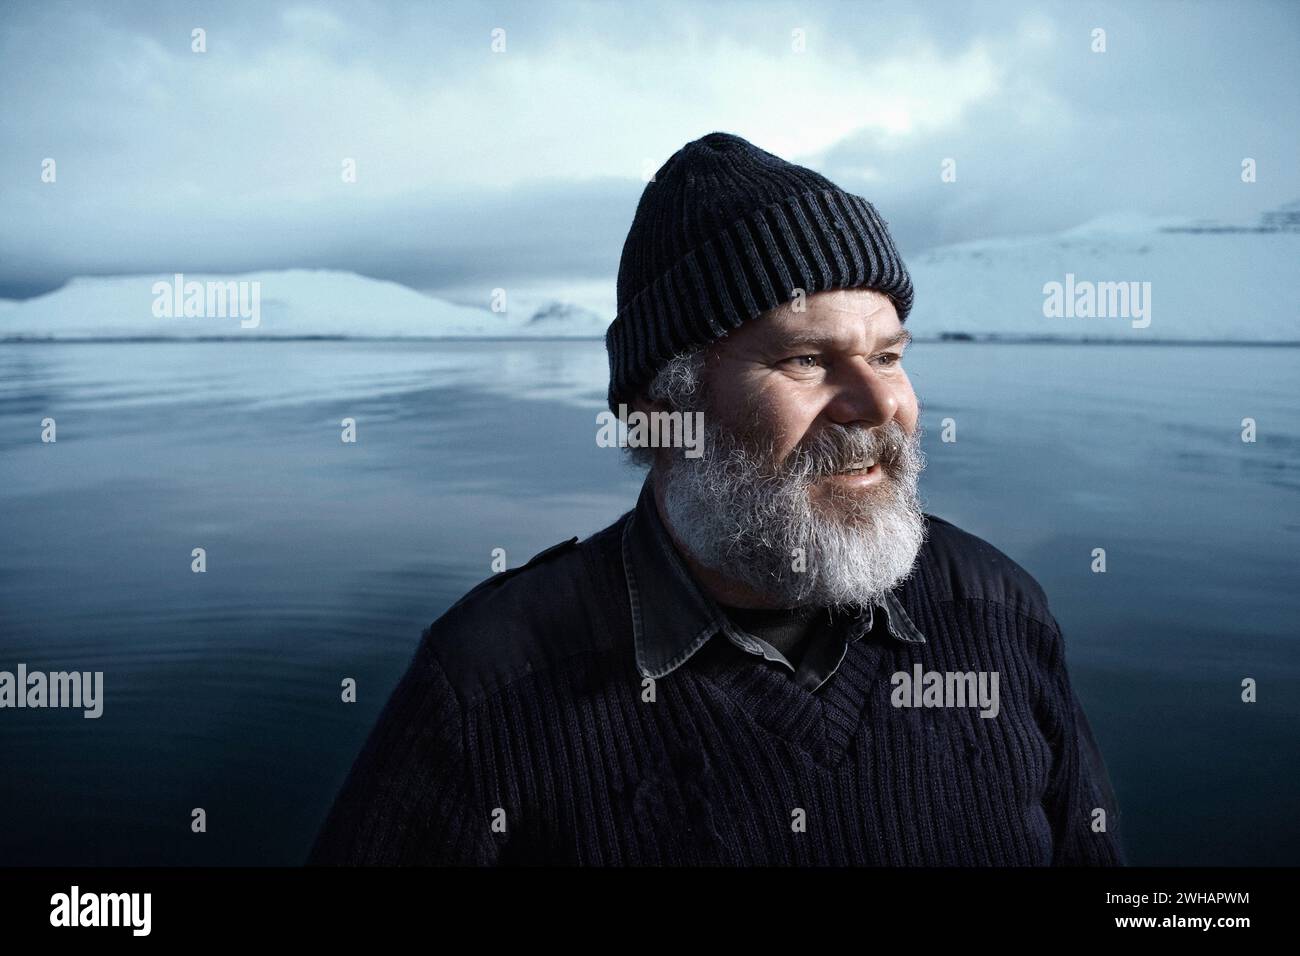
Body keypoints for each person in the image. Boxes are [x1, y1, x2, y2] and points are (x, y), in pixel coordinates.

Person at [308, 131, 1124, 866]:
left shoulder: (997, 610)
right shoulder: (490, 687)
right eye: (807, 360)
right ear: (665, 412)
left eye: (886, 355)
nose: (878, 405)